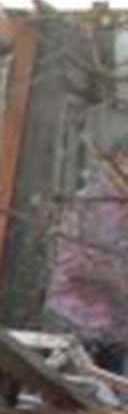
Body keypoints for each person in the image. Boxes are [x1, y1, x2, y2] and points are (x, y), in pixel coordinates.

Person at [44, 152, 128, 371]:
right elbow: (74, 263)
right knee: (71, 394)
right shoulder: (88, 204)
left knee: (111, 398)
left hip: (117, 331)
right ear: (117, 161)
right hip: (77, 321)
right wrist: (117, 281)